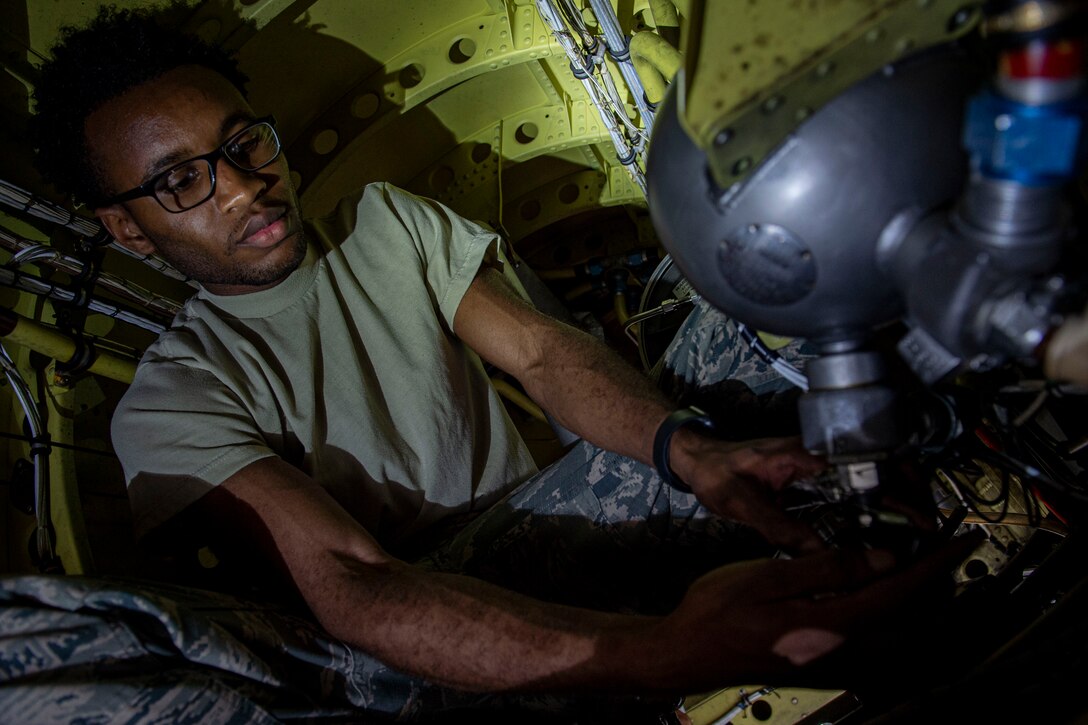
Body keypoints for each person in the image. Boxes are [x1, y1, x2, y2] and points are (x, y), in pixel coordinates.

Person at [19, 5, 972, 720]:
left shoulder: (386, 225)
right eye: (181, 180)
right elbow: (356, 583)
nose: (238, 186)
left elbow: (544, 355)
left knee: (758, 316)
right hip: (437, 632)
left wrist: (691, 452)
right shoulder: (171, 403)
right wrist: (664, 653)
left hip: (567, 526)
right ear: (127, 229)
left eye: (242, 143)